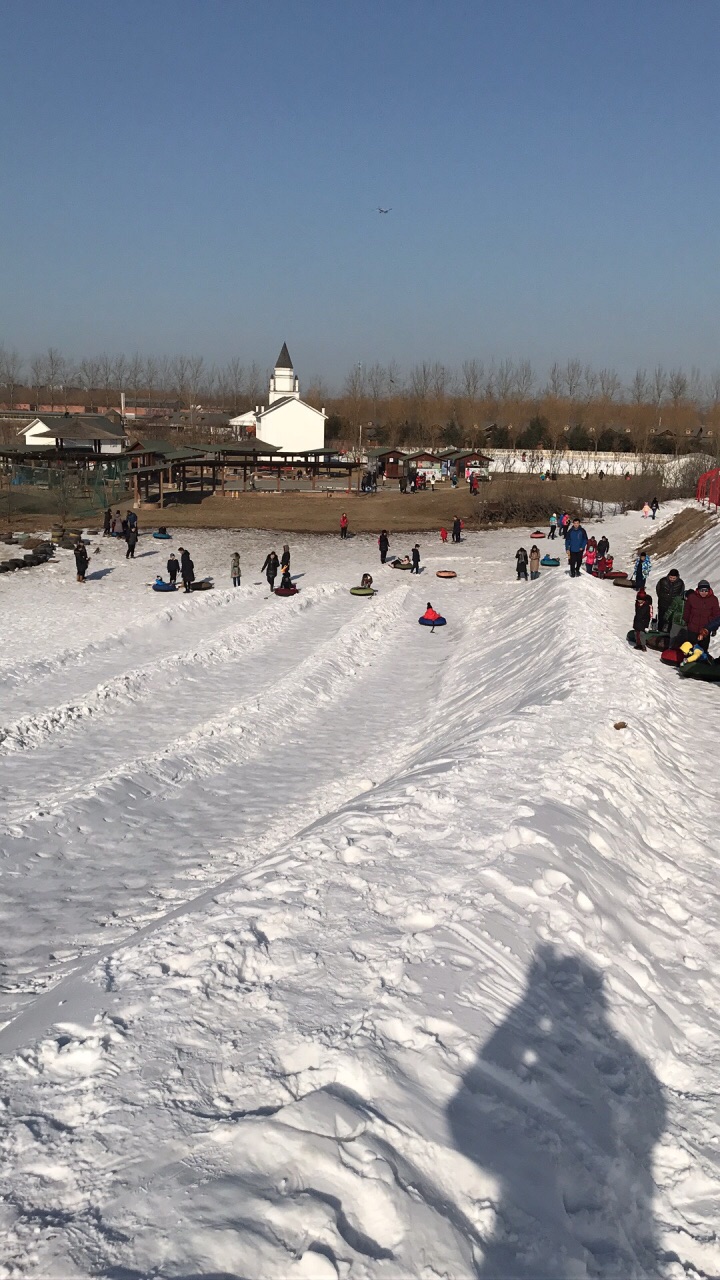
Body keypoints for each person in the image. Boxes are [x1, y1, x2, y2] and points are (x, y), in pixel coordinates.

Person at [678, 580, 720, 650]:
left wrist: (714, 629)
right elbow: (687, 611)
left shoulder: (713, 599)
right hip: (692, 628)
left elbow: (716, 615)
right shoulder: (692, 597)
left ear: (709, 590)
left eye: (706, 590)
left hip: (705, 629)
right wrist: (686, 621)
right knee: (690, 648)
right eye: (702, 590)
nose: (704, 592)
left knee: (702, 650)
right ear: (698, 590)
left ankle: (701, 660)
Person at [655, 568, 685, 632]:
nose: (672, 579)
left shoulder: (680, 583)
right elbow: (658, 589)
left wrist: (676, 602)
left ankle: (669, 634)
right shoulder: (663, 581)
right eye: (670, 577)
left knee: (671, 621)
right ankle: (660, 631)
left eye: (674, 578)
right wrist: (661, 597)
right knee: (661, 619)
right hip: (663, 604)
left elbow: (681, 593)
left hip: (673, 605)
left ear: (677, 577)